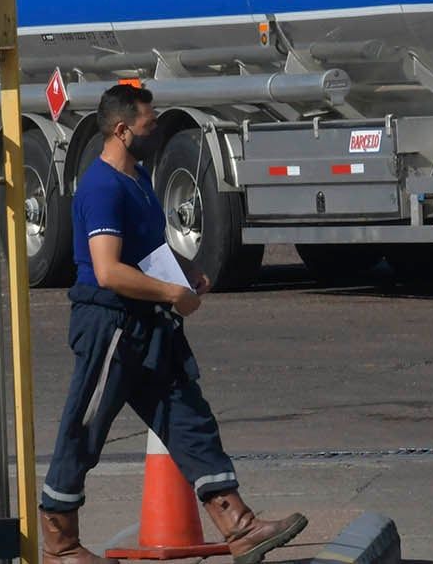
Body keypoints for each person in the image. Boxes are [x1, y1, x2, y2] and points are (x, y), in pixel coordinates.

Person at [39, 85, 305, 564]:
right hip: (111, 327)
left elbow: (147, 249)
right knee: (84, 429)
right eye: (149, 123)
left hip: (149, 326)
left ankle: (238, 526)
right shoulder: (101, 188)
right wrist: (172, 294)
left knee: (188, 417)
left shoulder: (138, 176)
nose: (156, 129)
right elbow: (108, 271)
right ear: (122, 130)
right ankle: (60, 544)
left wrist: (184, 274)